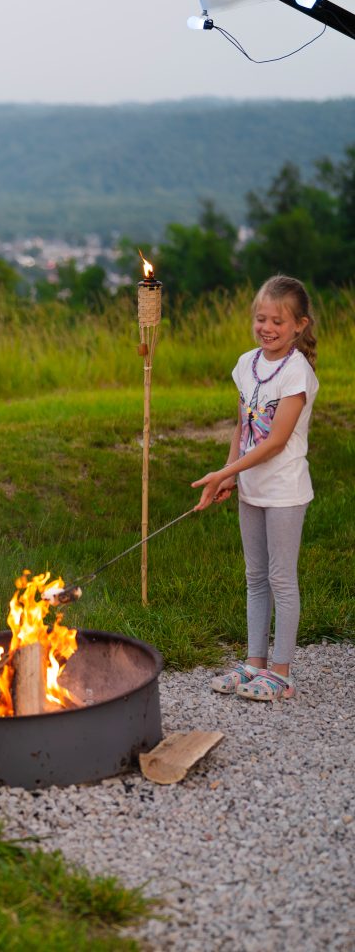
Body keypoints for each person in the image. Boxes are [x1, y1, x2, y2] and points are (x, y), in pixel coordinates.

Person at [192, 276, 319, 702]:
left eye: (277, 321)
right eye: (260, 318)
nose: (267, 327)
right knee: (255, 577)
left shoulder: (297, 373)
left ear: (299, 325)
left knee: (282, 579)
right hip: (252, 489)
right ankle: (254, 664)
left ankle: (280, 673)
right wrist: (229, 474)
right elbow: (244, 429)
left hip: (284, 491)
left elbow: (276, 441)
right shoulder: (246, 363)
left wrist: (223, 473)